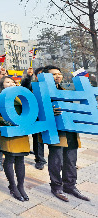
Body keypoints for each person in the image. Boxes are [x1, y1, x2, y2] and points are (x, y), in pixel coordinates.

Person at [43, 66, 90, 202]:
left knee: (71, 160)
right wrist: (49, 112)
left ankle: (70, 185)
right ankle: (56, 186)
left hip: (70, 131)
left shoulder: (64, 91)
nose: (57, 76)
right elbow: (36, 112)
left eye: (59, 74)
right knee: (56, 160)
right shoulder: (42, 93)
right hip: (56, 132)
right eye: (53, 74)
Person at [0, 76, 30, 202]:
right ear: (2, 84)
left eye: (13, 82)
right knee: (9, 158)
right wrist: (5, 122)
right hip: (8, 131)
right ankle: (13, 186)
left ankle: (21, 186)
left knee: (20, 159)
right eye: (7, 82)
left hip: (21, 132)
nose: (10, 84)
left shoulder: (21, 98)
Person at [21, 67, 48, 170]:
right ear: (36, 76)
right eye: (40, 74)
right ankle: (40, 159)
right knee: (38, 138)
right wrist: (28, 76)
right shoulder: (32, 86)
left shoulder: (52, 85)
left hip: (51, 115)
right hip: (36, 116)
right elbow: (24, 86)